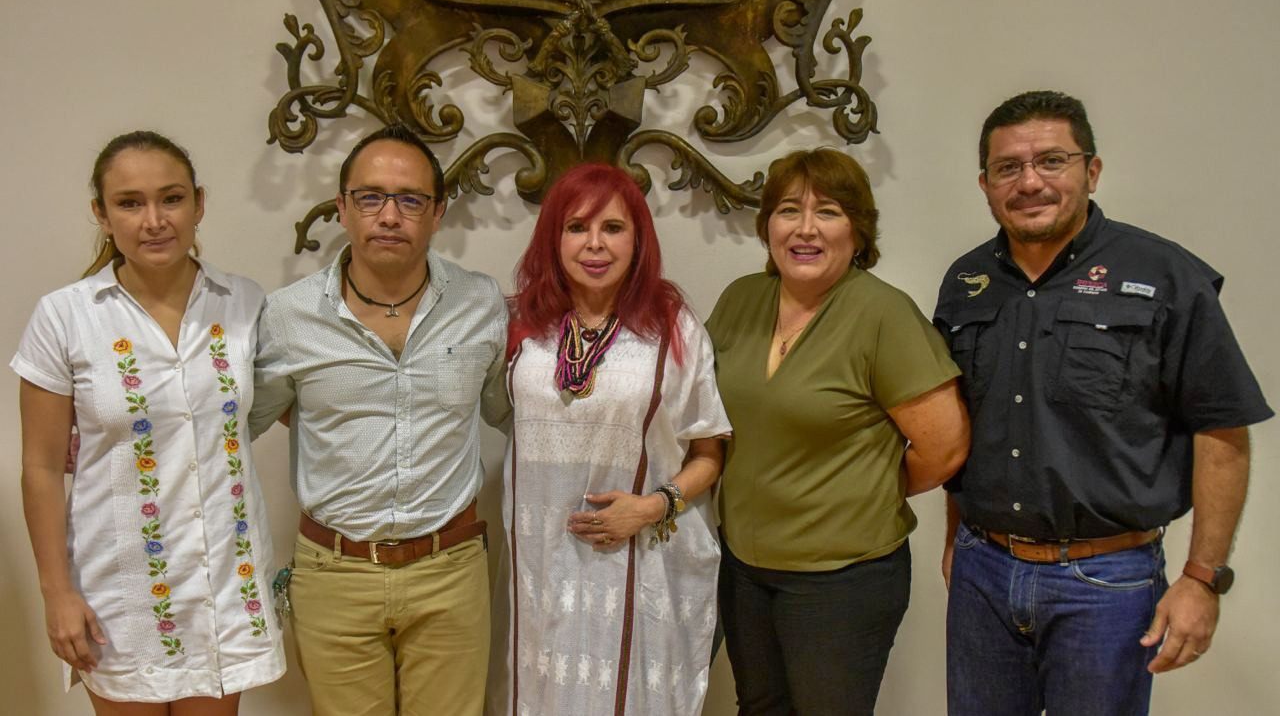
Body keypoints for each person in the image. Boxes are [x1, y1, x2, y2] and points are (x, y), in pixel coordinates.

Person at [935, 90, 1273, 716]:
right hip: (984, 572)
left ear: (1091, 171)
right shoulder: (965, 282)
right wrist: (957, 537)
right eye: (1008, 168)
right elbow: (961, 423)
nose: (1029, 182)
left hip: (1106, 583)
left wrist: (1203, 579)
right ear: (985, 184)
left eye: (1051, 161)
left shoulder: (1166, 276)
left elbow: (1222, 431)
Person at [14, 131, 284, 713]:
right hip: (121, 593)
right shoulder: (65, 317)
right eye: (130, 203)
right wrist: (56, 593)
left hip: (225, 582)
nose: (154, 220)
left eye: (172, 198)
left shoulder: (244, 303)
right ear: (102, 214)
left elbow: (298, 400)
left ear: (199, 203)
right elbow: (40, 467)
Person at [249, 123, 507, 716]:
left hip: (450, 570)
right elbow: (240, 421)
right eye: (370, 197)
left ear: (438, 212)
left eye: (410, 200)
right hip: (334, 574)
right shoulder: (287, 316)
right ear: (342, 207)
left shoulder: (481, 303)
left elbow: (512, 410)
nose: (389, 216)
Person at [705, 148, 971, 715]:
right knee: (758, 708)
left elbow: (945, 448)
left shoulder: (883, 315)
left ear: (857, 229)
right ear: (767, 226)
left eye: (827, 211)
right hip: (745, 566)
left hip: (841, 579)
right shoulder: (739, 300)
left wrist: (862, 489)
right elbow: (705, 416)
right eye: (788, 210)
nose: (805, 229)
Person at [493, 163, 731, 715]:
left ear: (638, 240)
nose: (594, 244)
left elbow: (709, 450)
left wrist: (652, 506)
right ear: (553, 239)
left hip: (639, 559)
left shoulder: (672, 326)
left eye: (613, 228)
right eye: (576, 227)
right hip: (539, 566)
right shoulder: (522, 323)